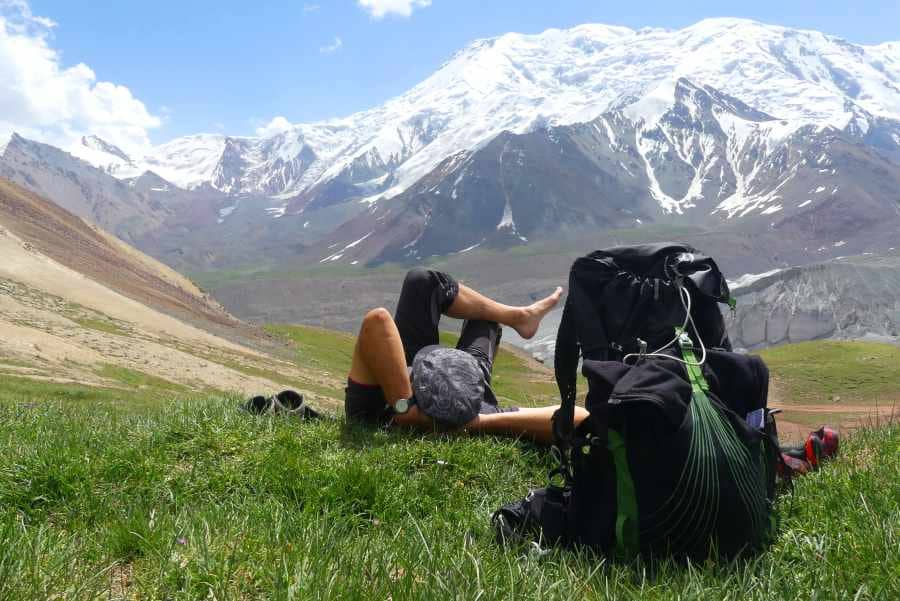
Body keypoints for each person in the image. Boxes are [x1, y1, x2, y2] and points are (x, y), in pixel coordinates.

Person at [345, 268, 588, 443]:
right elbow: (583, 421)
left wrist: (405, 408)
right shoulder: (481, 412)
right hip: (467, 379)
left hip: (404, 392)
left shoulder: (376, 414)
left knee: (422, 281)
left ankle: (519, 317)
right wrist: (480, 423)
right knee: (486, 318)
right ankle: (519, 317)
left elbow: (377, 321)